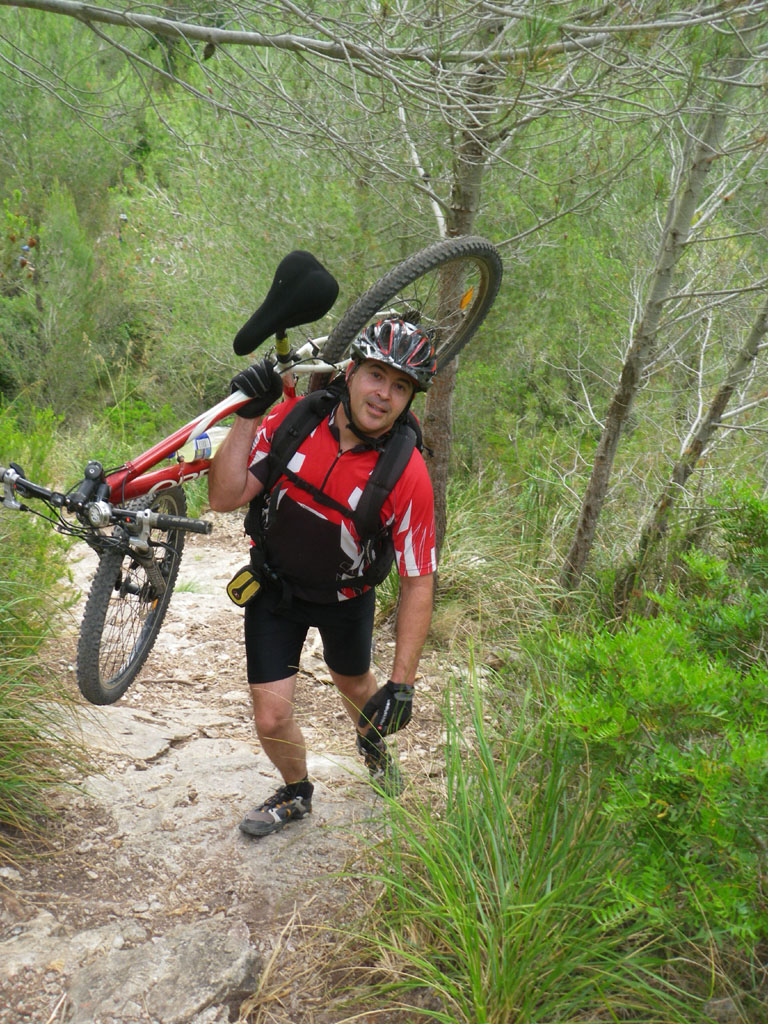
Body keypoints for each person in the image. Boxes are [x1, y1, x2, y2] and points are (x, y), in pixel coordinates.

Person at [208, 319, 437, 838]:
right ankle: (296, 791)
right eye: (376, 375)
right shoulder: (294, 420)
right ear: (350, 371)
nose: (384, 394)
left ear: (409, 400)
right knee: (270, 718)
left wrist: (402, 684)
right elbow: (223, 497)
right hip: (275, 588)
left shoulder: (407, 474)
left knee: (356, 687)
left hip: (345, 600)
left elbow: (418, 582)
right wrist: (248, 415)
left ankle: (373, 747)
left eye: (400, 386)